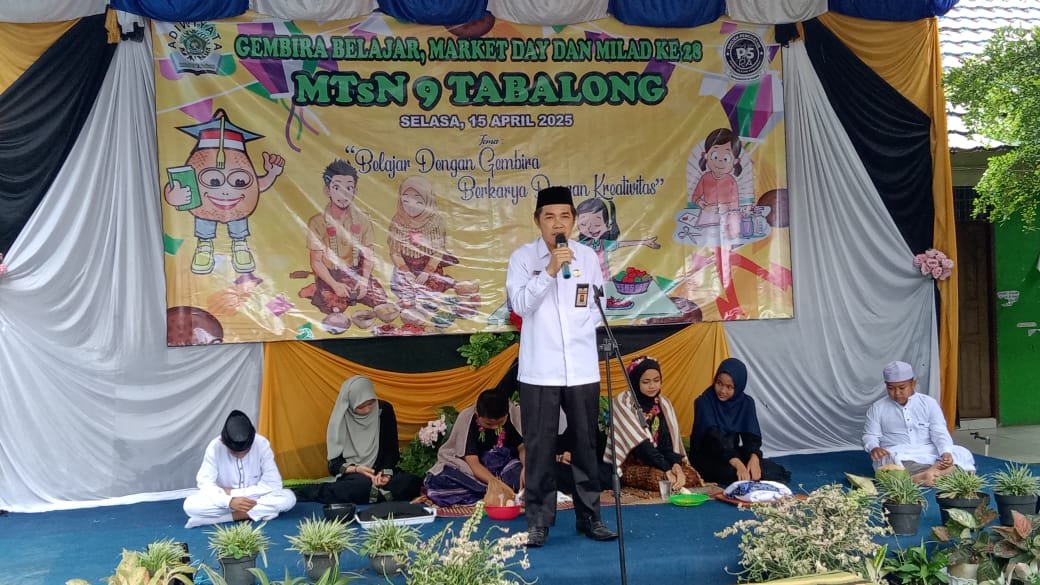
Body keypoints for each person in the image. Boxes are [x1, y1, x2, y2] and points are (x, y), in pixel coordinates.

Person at [505, 185, 616, 547]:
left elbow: (596, 306)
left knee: (585, 443)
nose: (558, 223)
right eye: (550, 217)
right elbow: (521, 305)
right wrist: (550, 270)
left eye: (565, 216)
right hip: (540, 367)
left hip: (581, 366)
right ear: (537, 220)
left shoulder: (587, 256)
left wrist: (581, 331)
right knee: (540, 447)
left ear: (574, 220)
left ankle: (590, 517)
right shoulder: (523, 258)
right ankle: (538, 521)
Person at [294, 376, 421, 504]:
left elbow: (391, 450)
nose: (368, 409)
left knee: (412, 482)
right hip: (355, 475)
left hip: (379, 471)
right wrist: (358, 469)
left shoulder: (383, 410)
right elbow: (334, 466)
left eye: (370, 403)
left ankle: (372, 493)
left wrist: (385, 473)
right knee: (360, 486)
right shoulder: (340, 419)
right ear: (350, 404)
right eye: (361, 407)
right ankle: (308, 492)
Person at [863, 360, 975, 486]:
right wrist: (874, 447)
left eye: (902, 388)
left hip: (929, 450)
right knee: (891, 462)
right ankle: (940, 473)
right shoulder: (877, 408)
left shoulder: (928, 403)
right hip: (899, 452)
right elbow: (870, 435)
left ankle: (920, 477)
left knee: (962, 453)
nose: (897, 393)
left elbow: (939, 432)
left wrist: (946, 453)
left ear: (913, 383)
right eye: (891, 388)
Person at [603, 356, 703, 492]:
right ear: (635, 381)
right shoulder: (624, 402)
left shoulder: (663, 404)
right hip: (631, 463)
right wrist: (666, 468)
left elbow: (666, 443)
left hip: (658, 461)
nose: (652, 386)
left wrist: (675, 465)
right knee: (659, 479)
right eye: (646, 382)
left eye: (656, 380)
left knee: (689, 476)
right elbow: (641, 446)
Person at [183, 410, 296, 528]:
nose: (240, 456)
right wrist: (229, 501)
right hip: (226, 500)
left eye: (245, 451)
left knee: (288, 498)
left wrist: (233, 493)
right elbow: (205, 484)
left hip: (255, 498)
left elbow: (273, 484)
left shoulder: (262, 443)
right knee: (190, 505)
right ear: (223, 442)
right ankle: (262, 512)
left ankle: (222, 518)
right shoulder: (215, 447)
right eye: (234, 452)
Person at [302, 160, 387, 314]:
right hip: (330, 274)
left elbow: (368, 254)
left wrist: (363, 281)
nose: (343, 194)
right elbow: (316, 261)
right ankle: (317, 288)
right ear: (327, 191)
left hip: (356, 271)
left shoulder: (363, 219)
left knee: (380, 299)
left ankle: (343, 291)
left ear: (355, 191)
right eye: (336, 188)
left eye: (348, 188)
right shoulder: (317, 222)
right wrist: (334, 285)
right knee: (335, 308)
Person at [689, 358, 790, 485]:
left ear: (739, 386)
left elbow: (751, 437)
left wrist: (754, 458)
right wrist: (738, 464)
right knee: (731, 473)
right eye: (719, 383)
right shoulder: (704, 402)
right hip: (708, 456)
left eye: (729, 387)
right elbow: (713, 437)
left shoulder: (746, 403)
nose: (722, 391)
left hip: (733, 452)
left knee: (771, 470)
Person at [425, 390, 525, 506]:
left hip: (505, 468)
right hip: (474, 472)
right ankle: (498, 493)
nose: (495, 427)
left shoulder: (514, 413)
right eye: (489, 424)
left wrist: (526, 467)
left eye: (500, 423)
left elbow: (523, 447)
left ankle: (501, 493)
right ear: (477, 413)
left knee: (529, 474)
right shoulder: (467, 418)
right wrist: (495, 483)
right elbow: (473, 462)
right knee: (439, 481)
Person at [387, 176, 458, 308]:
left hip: (428, 264)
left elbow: (438, 252)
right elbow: (395, 252)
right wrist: (406, 271)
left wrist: (426, 273)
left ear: (427, 201)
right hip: (406, 264)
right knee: (399, 286)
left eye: (418, 202)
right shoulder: (398, 221)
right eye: (406, 201)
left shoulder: (435, 222)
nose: (411, 206)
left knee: (431, 289)